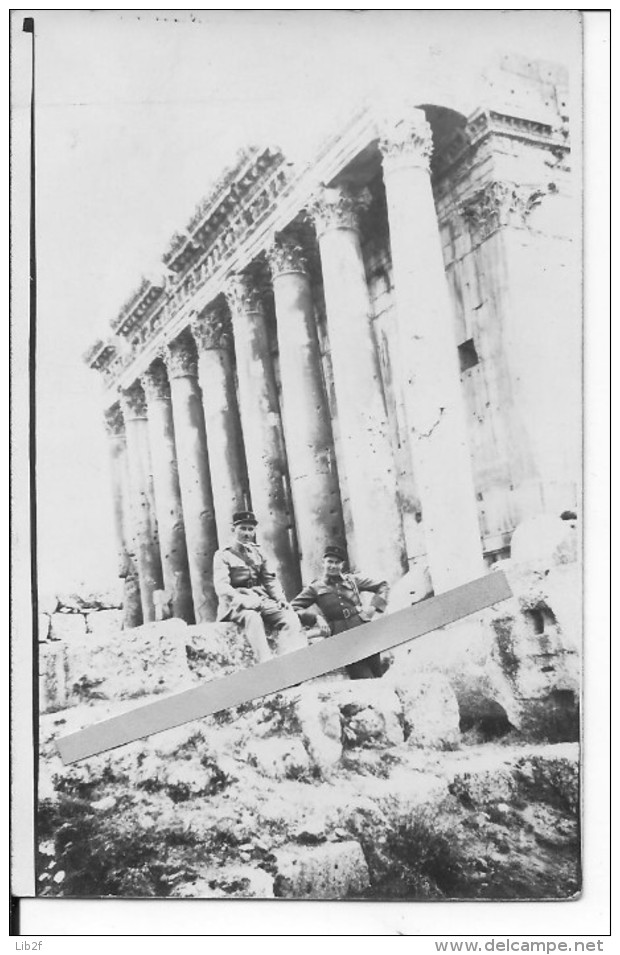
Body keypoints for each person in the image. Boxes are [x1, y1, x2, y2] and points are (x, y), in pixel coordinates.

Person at [212, 510, 306, 663]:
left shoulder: (258, 552)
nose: (247, 533)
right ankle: (266, 664)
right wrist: (240, 599)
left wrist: (280, 598)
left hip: (259, 599)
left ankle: (287, 663)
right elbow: (222, 587)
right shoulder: (223, 555)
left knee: (290, 618)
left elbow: (269, 579)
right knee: (253, 618)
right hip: (235, 605)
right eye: (243, 528)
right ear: (233, 529)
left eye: (251, 529)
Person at [291, 544, 389, 680]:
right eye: (330, 561)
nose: (333, 566)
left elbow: (383, 585)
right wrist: (316, 618)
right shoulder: (314, 588)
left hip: (363, 628)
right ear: (323, 562)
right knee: (363, 678)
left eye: (337, 562)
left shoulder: (352, 580)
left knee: (378, 675)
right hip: (341, 636)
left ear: (342, 564)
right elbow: (292, 609)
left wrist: (373, 608)